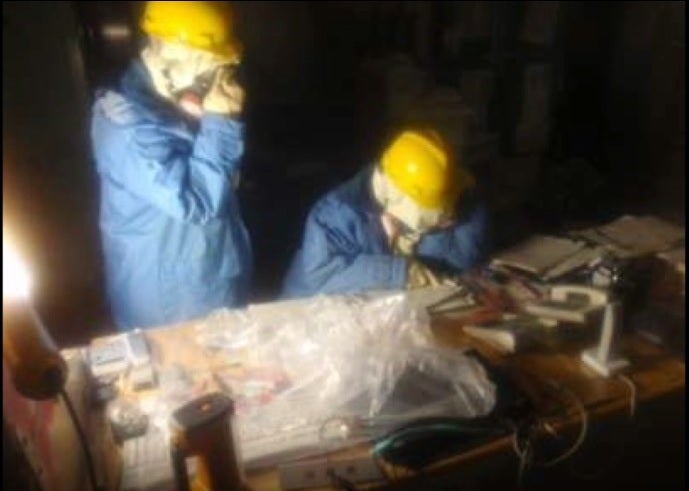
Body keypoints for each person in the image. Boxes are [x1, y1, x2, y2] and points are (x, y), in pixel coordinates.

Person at [91, 1, 252, 330]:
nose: (212, 84)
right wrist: (221, 121)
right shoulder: (128, 127)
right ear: (173, 59)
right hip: (171, 301)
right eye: (207, 73)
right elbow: (196, 202)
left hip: (205, 273)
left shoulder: (164, 96)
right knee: (186, 378)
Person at [282, 129, 491, 298]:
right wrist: (402, 273)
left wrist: (434, 231)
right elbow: (323, 277)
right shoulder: (334, 215)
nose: (449, 210)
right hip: (306, 317)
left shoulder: (460, 199)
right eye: (441, 204)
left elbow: (460, 264)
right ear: (400, 198)